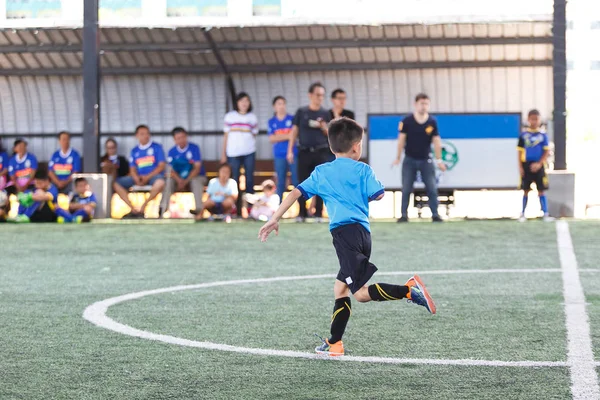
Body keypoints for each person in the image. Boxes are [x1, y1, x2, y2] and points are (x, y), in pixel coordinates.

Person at [259, 117, 435, 357]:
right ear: (357, 147)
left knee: (361, 294)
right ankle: (335, 343)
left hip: (344, 236)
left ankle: (408, 290)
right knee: (340, 289)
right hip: (362, 234)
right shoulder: (363, 169)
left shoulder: (322, 172)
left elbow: (296, 193)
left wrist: (274, 217)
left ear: (331, 147)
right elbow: (378, 194)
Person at [392, 93, 447, 223]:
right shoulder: (407, 121)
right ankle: (403, 215)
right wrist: (398, 157)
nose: (424, 106)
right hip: (409, 159)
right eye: (422, 103)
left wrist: (439, 160)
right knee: (406, 188)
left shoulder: (432, 122)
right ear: (415, 104)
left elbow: (437, 141)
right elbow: (401, 140)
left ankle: (435, 214)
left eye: (426, 104)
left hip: (426, 160)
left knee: (432, 188)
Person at [288, 82, 333, 222]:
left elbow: (330, 133)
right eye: (317, 95)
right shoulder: (302, 112)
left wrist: (323, 127)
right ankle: (301, 213)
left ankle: (318, 213)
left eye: (322, 95)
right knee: (302, 182)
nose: (320, 98)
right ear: (310, 95)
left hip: (321, 152)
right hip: (304, 151)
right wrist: (289, 150)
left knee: (321, 182)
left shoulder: (326, 113)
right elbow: (294, 131)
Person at [113, 125, 166, 219]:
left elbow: (161, 166)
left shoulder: (157, 147)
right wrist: (136, 177)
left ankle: (144, 206)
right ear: (136, 136)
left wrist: (148, 177)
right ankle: (133, 209)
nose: (145, 136)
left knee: (161, 182)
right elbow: (132, 168)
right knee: (116, 184)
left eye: (147, 133)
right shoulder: (134, 150)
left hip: (153, 177)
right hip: (138, 178)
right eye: (142, 134)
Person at [161, 127, 206, 221]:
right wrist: (179, 180)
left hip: (195, 177)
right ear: (174, 139)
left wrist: (185, 181)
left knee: (196, 181)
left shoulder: (194, 148)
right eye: (178, 138)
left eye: (183, 137)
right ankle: (162, 209)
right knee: (168, 181)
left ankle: (199, 210)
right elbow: (171, 169)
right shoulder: (172, 151)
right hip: (178, 179)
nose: (181, 140)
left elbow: (197, 168)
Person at [221, 92, 258, 200]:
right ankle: (235, 207)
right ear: (237, 103)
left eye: (247, 101)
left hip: (249, 152)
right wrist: (223, 154)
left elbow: (254, 134)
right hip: (233, 153)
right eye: (242, 101)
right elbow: (226, 136)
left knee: (249, 179)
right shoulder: (229, 117)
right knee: (234, 179)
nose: (244, 103)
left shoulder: (252, 117)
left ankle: (249, 207)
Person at [518, 109, 553, 222]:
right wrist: (520, 167)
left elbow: (546, 151)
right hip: (526, 165)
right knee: (525, 190)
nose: (534, 121)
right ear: (528, 120)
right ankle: (523, 213)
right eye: (532, 119)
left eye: (536, 119)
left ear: (539, 120)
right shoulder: (523, 135)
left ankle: (545, 213)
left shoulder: (543, 135)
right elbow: (519, 152)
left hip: (539, 165)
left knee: (541, 190)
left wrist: (539, 164)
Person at [267, 96, 298, 203]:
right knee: (280, 181)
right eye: (278, 104)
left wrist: (282, 136)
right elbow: (272, 138)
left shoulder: (292, 119)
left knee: (296, 180)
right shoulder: (272, 121)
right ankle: (278, 206)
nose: (281, 106)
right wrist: (288, 135)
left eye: (283, 103)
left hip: (293, 153)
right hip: (279, 155)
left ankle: (300, 209)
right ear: (274, 106)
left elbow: (294, 136)